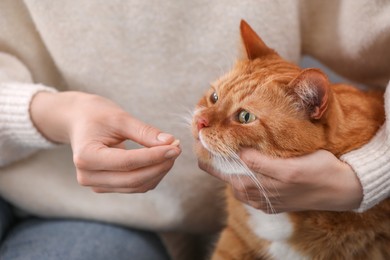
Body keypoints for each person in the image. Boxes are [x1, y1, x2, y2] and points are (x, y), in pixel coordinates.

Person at [0, 1, 389, 260]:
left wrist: (373, 170)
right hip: (37, 189)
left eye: (242, 116)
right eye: (213, 96)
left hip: (105, 224)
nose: (203, 120)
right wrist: (56, 112)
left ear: (312, 106)